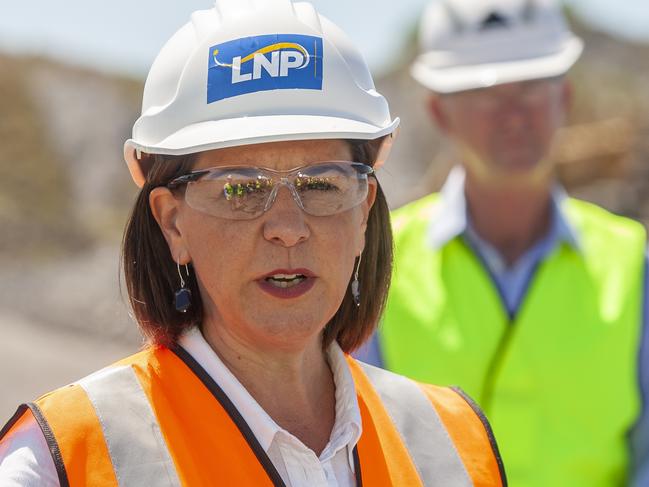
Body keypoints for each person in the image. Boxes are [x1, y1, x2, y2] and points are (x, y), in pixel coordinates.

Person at [0, 1, 507, 486]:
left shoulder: (455, 442)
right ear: (172, 224)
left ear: (363, 213)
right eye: (240, 188)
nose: (287, 227)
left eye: (321, 184)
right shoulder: (63, 458)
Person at [356, 0, 649, 486]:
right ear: (438, 112)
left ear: (565, 97)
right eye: (485, 92)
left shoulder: (631, 260)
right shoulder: (377, 261)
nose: (514, 114)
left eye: (533, 86)